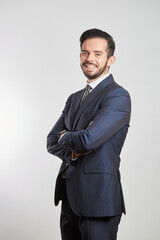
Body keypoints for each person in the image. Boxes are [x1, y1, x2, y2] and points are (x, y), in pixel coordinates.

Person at [47, 28, 131, 240]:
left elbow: (88, 140)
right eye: (85, 53)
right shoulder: (74, 98)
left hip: (98, 202)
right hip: (69, 200)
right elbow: (50, 141)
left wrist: (66, 136)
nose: (89, 58)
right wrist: (72, 153)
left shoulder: (118, 96)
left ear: (110, 59)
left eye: (97, 53)